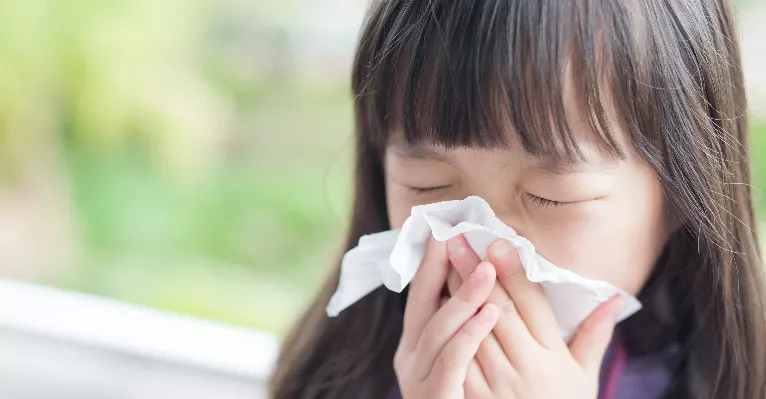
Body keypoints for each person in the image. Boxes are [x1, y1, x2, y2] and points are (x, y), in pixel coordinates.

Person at [269, 0, 766, 398]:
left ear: (685, 191)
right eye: (426, 185)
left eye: (549, 196)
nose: (485, 248)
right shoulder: (342, 372)